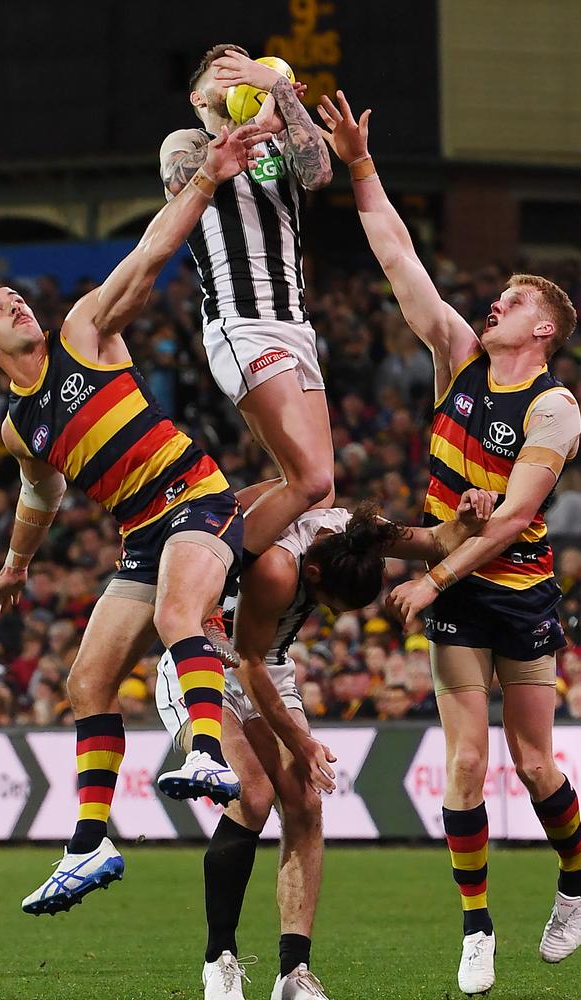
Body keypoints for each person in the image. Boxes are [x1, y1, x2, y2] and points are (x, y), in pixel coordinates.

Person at [0, 123, 270, 916]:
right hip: (144, 533)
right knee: (87, 681)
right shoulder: (18, 427)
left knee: (179, 612)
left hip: (198, 497)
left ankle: (207, 750)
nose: (14, 303)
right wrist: (16, 565)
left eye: (16, 296)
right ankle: (88, 843)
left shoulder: (82, 335)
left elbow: (145, 258)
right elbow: (42, 495)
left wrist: (205, 179)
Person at [316, 90, 581, 994]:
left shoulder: (553, 405)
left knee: (535, 760)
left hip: (521, 587)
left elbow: (510, 519)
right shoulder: (458, 357)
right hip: (456, 579)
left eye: (510, 300)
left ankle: (575, 883)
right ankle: (477, 926)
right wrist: (358, 164)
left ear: (541, 328)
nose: (492, 303)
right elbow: (400, 260)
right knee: (465, 760)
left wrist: (430, 578)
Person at [156, 488, 495, 1000]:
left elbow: (435, 540)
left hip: (266, 665)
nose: (330, 615)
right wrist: (304, 742)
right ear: (314, 576)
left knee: (306, 806)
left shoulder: (361, 532)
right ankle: (219, 960)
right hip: (205, 664)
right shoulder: (277, 568)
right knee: (252, 793)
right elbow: (247, 663)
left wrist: (466, 521)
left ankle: (293, 974)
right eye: (331, 606)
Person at [159, 44, 335, 564]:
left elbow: (320, 172)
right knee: (310, 479)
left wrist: (279, 91)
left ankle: (197, 528)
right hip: (243, 324)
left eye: (243, 66)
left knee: (321, 496)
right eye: (223, 70)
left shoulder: (277, 141)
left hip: (297, 326)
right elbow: (181, 181)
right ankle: (208, 583)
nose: (236, 74)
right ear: (199, 95)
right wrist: (244, 132)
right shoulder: (188, 140)